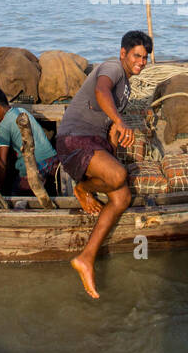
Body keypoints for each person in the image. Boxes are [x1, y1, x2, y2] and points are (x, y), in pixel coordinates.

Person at [57, 29, 151, 298]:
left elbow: (107, 112)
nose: (141, 61)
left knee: (122, 199)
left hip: (94, 141)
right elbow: (101, 92)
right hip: (74, 139)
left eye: (145, 57)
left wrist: (114, 129)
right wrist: (121, 121)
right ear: (124, 53)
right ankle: (83, 189)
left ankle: (86, 258)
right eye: (137, 55)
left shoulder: (127, 86)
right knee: (118, 175)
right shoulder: (112, 67)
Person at [0, 87, 58, 195]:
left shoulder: (3, 126)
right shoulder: (22, 111)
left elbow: (2, 163)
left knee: (15, 193)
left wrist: (0, 189)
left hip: (36, 166)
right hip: (52, 161)